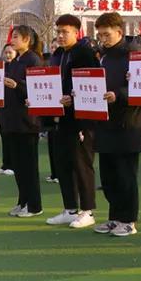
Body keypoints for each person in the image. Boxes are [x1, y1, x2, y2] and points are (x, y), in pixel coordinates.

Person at [91, 12, 141, 237]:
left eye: (107, 34)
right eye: (100, 34)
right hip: (106, 123)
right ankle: (114, 217)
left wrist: (119, 95)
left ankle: (129, 220)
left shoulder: (134, 55)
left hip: (128, 124)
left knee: (126, 175)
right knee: (108, 175)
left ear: (119, 32)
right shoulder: (103, 56)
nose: (103, 38)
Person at [45, 14, 100, 229]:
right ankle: (70, 208)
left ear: (77, 33)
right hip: (60, 118)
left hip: (81, 120)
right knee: (62, 164)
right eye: (58, 31)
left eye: (65, 32)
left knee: (81, 164)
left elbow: (92, 85)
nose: (60, 35)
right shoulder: (58, 55)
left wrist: (73, 98)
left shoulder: (85, 53)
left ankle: (88, 210)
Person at [1, 25, 43, 218]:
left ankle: (34, 205)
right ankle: (23, 201)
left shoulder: (33, 59)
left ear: (27, 39)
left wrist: (17, 85)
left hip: (27, 121)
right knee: (18, 165)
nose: (12, 40)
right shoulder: (16, 60)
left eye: (16, 37)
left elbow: (38, 87)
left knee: (28, 166)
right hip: (13, 119)